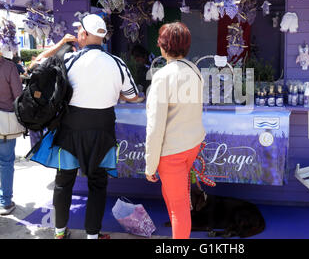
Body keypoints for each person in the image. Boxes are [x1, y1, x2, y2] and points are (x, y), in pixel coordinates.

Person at [32, 14, 140, 239]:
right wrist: (113, 92)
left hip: (70, 130)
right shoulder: (117, 63)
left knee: (64, 183)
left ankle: (60, 233)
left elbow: (36, 64)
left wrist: (61, 44)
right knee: (98, 184)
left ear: (83, 33)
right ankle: (93, 236)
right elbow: (133, 96)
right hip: (103, 131)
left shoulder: (69, 60)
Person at [145, 22, 206, 239]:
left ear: (163, 46)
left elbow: (155, 127)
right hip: (191, 145)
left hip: (172, 151)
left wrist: (150, 164)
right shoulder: (194, 70)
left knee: (177, 206)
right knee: (175, 197)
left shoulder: (163, 76)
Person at [0, 49, 23, 215]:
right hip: (5, 124)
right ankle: (5, 202)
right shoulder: (9, 67)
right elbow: (18, 97)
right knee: (6, 163)